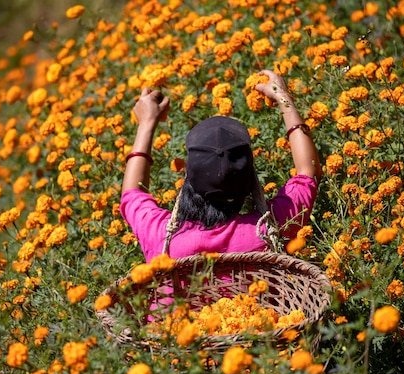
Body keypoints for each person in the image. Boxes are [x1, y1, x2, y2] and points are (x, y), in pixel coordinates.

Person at [120, 70, 321, 315]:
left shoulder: (161, 235)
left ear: (188, 178)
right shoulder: (270, 230)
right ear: (250, 180)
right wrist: (284, 99)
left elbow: (131, 193)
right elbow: (307, 173)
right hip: (262, 348)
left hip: (179, 351)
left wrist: (147, 123)